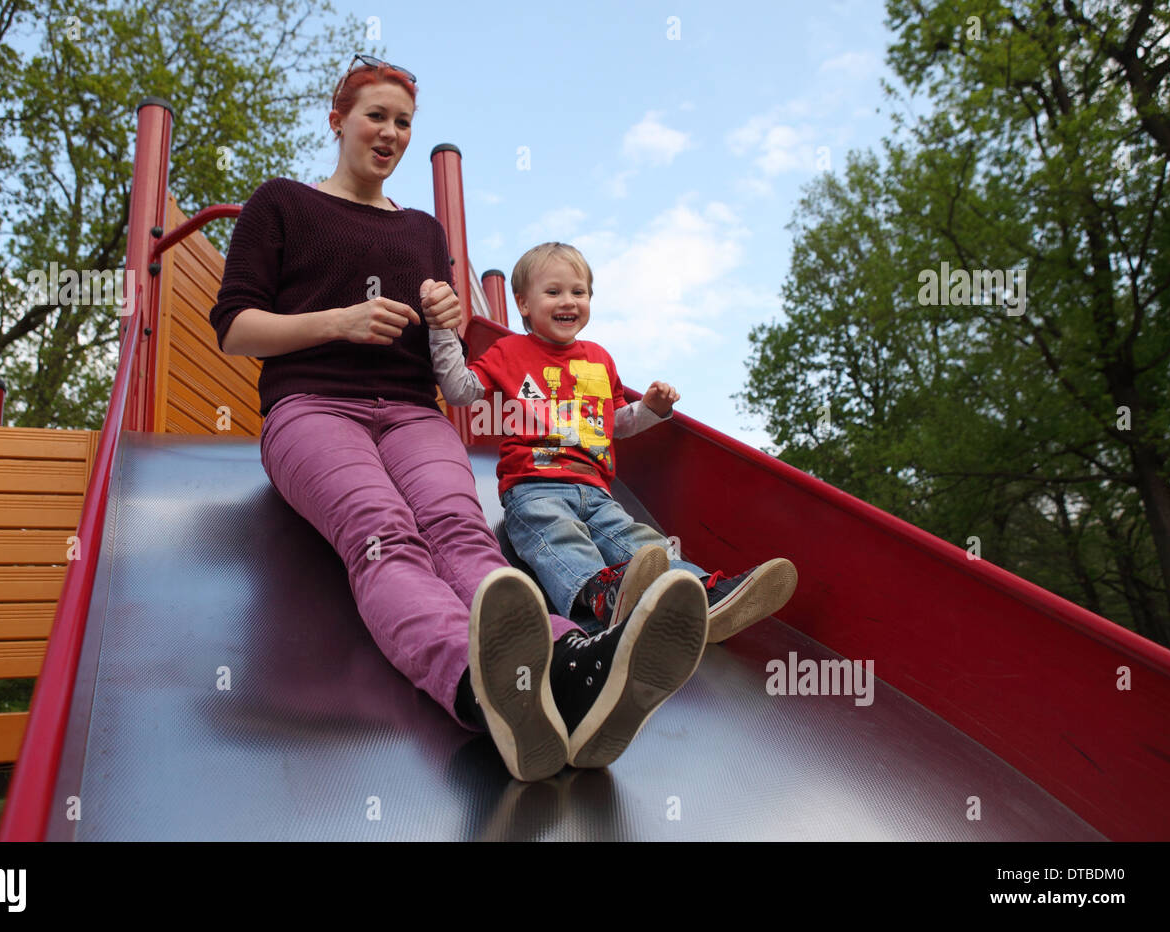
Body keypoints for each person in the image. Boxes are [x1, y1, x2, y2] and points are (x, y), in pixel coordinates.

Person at [208, 57, 707, 783]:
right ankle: (479, 686)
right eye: (375, 115)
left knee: (462, 534)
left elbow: (444, 359)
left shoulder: (420, 228)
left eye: (403, 122)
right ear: (338, 119)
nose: (390, 133)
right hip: (311, 406)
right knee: (385, 532)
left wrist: (445, 317)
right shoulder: (282, 203)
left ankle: (572, 663)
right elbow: (236, 329)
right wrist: (340, 320)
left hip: (412, 411)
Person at [427, 241, 798, 642]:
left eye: (578, 292)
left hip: (597, 491)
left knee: (642, 543)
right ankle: (598, 594)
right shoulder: (509, 351)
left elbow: (614, 424)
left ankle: (701, 593)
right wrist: (441, 329)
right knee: (557, 536)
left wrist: (652, 409)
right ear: (523, 304)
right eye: (553, 292)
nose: (567, 301)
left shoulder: (599, 358)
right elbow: (459, 389)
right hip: (534, 487)